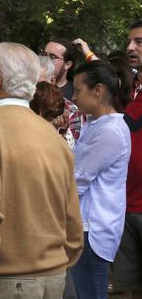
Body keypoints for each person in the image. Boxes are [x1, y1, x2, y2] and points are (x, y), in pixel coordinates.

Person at [0, 42, 83, 299]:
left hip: (6, 280)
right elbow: (72, 218)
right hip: (55, 278)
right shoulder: (51, 133)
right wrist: (58, 261)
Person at [74, 22, 142, 299]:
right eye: (129, 41)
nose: (130, 48)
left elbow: (78, 178)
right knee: (127, 285)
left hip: (110, 211)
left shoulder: (110, 127)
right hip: (124, 204)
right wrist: (89, 56)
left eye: (138, 41)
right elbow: (105, 77)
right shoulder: (128, 88)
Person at [70, 60, 132, 299]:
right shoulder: (97, 124)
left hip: (92, 228)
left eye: (78, 90)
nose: (74, 96)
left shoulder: (109, 130)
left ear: (98, 90)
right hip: (88, 225)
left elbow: (77, 181)